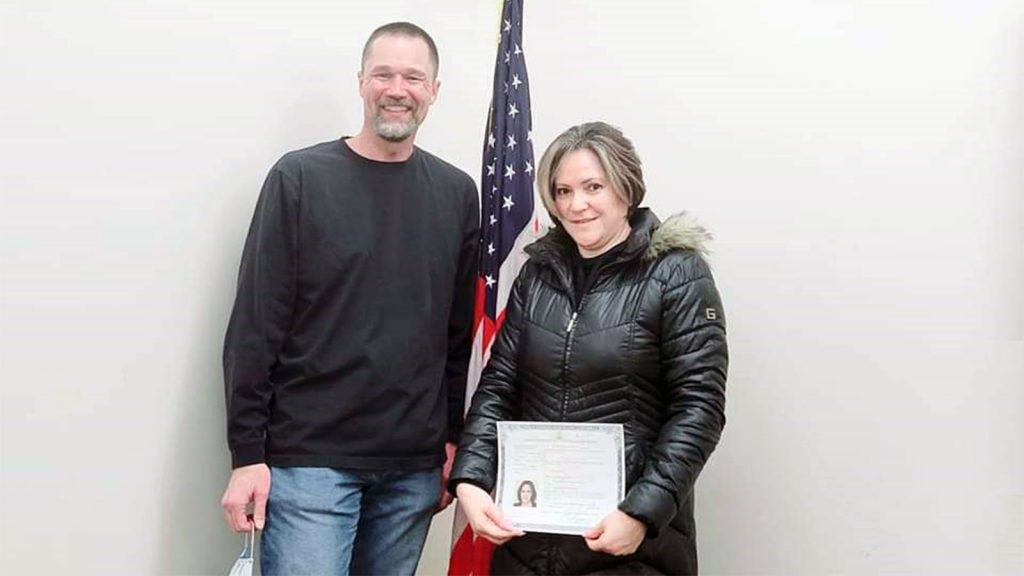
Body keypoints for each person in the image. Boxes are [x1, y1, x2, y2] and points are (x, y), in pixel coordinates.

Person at [219, 21, 479, 576]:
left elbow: (457, 337)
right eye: (383, 74)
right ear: (362, 82)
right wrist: (247, 456)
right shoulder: (300, 179)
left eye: (413, 77)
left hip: (412, 470)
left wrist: (453, 438)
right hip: (310, 465)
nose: (397, 88)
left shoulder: (458, 196)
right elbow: (254, 327)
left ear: (434, 90)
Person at [449, 122, 728, 575]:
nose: (576, 205)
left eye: (592, 186)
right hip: (527, 547)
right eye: (562, 191)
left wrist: (641, 512)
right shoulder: (536, 275)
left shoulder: (677, 274)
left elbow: (699, 409)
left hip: (626, 549)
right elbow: (498, 386)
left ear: (625, 187)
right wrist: (472, 479)